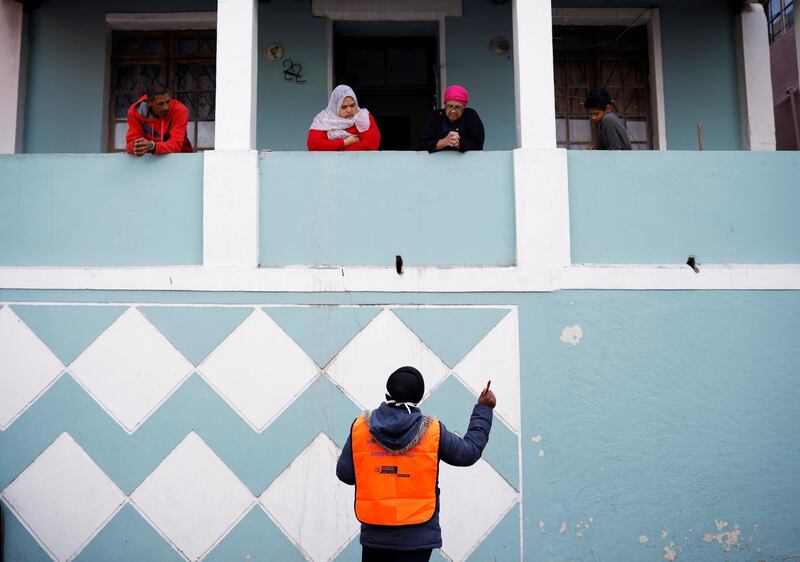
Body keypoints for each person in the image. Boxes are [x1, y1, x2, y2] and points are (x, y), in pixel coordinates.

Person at [336, 366, 496, 562]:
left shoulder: (360, 428)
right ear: (418, 397)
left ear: (388, 392)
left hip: (375, 535)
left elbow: (345, 474)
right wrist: (484, 408)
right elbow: (468, 453)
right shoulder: (432, 431)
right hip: (418, 536)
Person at [126, 82, 193, 156]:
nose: (166, 107)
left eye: (168, 102)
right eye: (160, 104)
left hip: (181, 159)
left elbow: (176, 145)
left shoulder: (179, 110)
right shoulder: (135, 112)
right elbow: (130, 145)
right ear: (149, 102)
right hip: (148, 162)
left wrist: (152, 146)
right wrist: (137, 146)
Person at [307, 85, 381, 151]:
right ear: (335, 107)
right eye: (343, 107)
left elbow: (371, 144)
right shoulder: (323, 120)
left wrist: (337, 150)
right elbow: (314, 145)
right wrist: (345, 142)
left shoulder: (363, 117)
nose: (349, 110)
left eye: (352, 105)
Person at [420, 84, 485, 153]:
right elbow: (423, 145)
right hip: (437, 161)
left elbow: (478, 145)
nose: (453, 111)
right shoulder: (435, 116)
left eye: (458, 107)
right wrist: (445, 142)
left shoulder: (470, 115)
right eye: (450, 106)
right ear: (445, 105)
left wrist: (459, 144)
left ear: (463, 108)